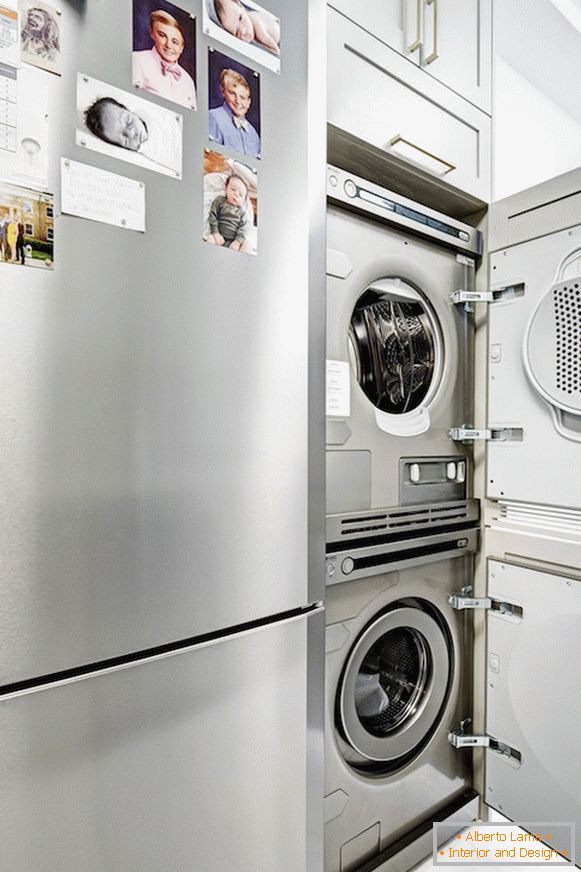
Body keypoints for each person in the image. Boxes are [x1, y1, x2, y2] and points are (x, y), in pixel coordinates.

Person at [83, 96, 181, 173]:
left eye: (129, 121)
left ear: (130, 112)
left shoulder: (152, 116)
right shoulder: (149, 149)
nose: (131, 133)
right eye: (125, 139)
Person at [133, 10, 197, 111]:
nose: (169, 45)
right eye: (162, 35)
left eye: (175, 42)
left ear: (182, 47)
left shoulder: (188, 81)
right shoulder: (138, 60)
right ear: (152, 33)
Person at [209, 68, 260, 157]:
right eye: (232, 93)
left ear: (249, 102)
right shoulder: (213, 117)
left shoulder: (253, 134)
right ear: (222, 91)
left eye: (243, 97)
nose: (238, 101)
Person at [213, 0, 280, 55]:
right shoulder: (246, 22)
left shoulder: (258, 27)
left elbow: (275, 50)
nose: (243, 30)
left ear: (241, 6)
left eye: (240, 18)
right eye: (237, 32)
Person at [206, 174, 252, 252]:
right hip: (219, 237)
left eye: (240, 195)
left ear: (244, 200)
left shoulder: (243, 212)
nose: (236, 194)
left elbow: (245, 227)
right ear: (226, 188)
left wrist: (237, 242)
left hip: (235, 241)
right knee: (210, 238)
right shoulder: (220, 201)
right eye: (233, 189)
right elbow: (213, 216)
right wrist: (215, 233)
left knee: (247, 245)